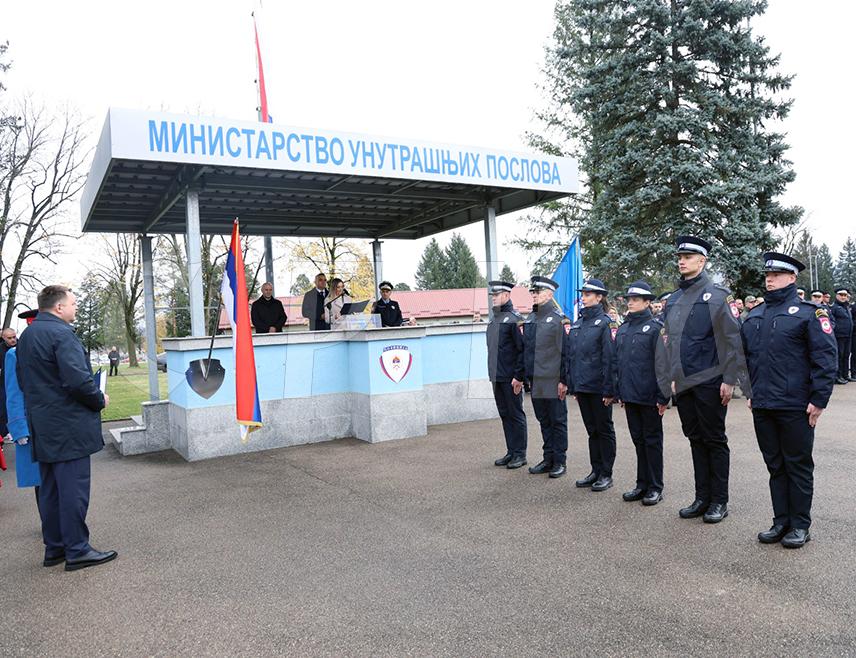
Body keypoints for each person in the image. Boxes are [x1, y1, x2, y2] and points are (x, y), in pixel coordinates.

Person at [15, 285, 117, 571]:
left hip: (43, 425)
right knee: (72, 489)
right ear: (59, 307)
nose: (76, 308)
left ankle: (55, 547)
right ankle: (77, 549)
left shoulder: (27, 336)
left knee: (50, 489)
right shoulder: (61, 334)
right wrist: (99, 399)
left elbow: (25, 382)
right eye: (73, 303)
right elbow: (77, 381)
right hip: (68, 426)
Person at [740, 253, 837, 548]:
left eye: (777, 275)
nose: (770, 279)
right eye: (768, 275)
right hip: (764, 405)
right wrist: (750, 391)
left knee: (797, 465)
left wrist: (819, 399)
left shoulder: (810, 313)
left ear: (792, 278)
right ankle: (780, 521)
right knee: (775, 466)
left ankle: (800, 525)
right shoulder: (754, 316)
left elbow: (825, 358)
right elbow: (745, 359)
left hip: (795, 405)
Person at [660, 236, 742, 524]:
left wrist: (730, 379)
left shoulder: (718, 295)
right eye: (680, 256)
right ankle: (702, 497)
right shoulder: (673, 299)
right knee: (695, 439)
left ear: (702, 260)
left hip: (710, 380)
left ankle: (719, 500)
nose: (682, 260)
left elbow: (732, 341)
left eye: (689, 256)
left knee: (714, 439)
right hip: (683, 383)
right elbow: (671, 341)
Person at [613, 281, 669, 505]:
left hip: (649, 395)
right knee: (638, 441)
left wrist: (663, 396)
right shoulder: (624, 329)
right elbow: (618, 363)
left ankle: (655, 486)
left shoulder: (655, 328)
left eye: (636, 299)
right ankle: (641, 484)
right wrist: (621, 392)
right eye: (629, 299)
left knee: (652, 441)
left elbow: (663, 364)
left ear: (647, 302)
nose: (630, 303)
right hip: (631, 394)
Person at [561, 279, 618, 491]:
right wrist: (574, 385)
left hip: (599, 388)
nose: (583, 297)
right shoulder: (577, 323)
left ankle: (606, 473)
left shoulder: (605, 323)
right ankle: (595, 470)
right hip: (583, 387)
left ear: (599, 297)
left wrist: (609, 389)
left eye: (587, 294)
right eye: (583, 294)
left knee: (604, 430)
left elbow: (609, 358)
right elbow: (571, 356)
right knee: (592, 431)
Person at [522, 275, 568, 478]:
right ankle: (548, 458)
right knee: (544, 420)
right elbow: (527, 350)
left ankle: (559, 461)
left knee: (557, 420)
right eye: (532, 291)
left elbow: (565, 352)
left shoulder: (558, 319)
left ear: (549, 294)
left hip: (552, 378)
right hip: (536, 378)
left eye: (538, 291)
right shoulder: (531, 318)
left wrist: (563, 380)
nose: (534, 295)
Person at [486, 280, 527, 469]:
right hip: (497, 376)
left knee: (515, 414)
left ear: (507, 295)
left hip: (511, 377)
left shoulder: (514, 319)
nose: (493, 298)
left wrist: (518, 376)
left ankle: (520, 454)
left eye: (496, 295)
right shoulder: (494, 319)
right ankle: (511, 451)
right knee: (505, 414)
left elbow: (522, 350)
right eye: (492, 295)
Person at [5, 312, 42, 510]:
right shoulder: (14, 354)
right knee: (41, 481)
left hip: (56, 424)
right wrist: (19, 427)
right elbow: (13, 392)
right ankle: (50, 527)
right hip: (32, 425)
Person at [831, 288, 853, 385]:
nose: (843, 297)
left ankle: (845, 375)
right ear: (836, 295)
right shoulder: (834, 307)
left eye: (845, 295)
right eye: (841, 295)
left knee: (846, 355)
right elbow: (831, 321)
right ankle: (838, 376)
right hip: (839, 335)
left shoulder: (846, 306)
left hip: (848, 335)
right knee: (839, 356)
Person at [1, 327, 17, 442]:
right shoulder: (0, 349)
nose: (13, 340)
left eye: (14, 337)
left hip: (18, 380)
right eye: (9, 338)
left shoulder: (21, 346)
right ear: (3, 338)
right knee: (3, 406)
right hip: (4, 381)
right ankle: (3, 432)